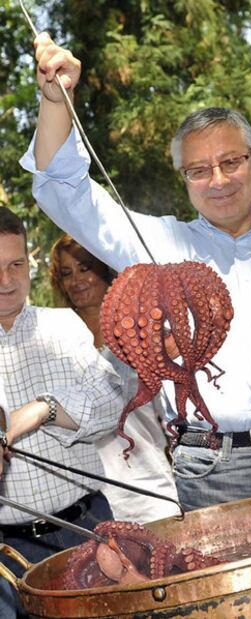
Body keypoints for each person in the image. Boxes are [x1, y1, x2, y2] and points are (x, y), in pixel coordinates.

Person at [20, 32, 251, 513]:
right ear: (184, 178)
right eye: (199, 170)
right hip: (218, 472)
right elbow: (60, 189)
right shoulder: (153, 246)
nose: (218, 180)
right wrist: (55, 100)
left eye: (231, 161)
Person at [0, 206, 123, 618]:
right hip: (5, 554)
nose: (6, 280)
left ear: (29, 262)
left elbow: (109, 405)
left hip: (84, 529)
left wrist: (44, 409)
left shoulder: (64, 326)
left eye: (15, 264)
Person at [49, 234, 179, 521]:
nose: (76, 281)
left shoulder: (141, 333)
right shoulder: (56, 341)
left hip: (150, 490)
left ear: (105, 269)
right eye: (66, 273)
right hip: (89, 505)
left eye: (85, 268)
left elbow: (170, 412)